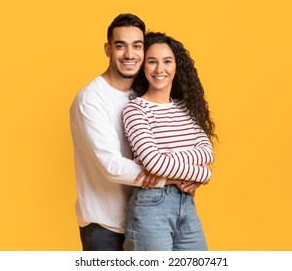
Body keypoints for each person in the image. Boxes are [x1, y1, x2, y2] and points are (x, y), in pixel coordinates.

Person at [69, 14, 195, 251]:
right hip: (105, 227)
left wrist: (191, 176)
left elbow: (172, 145)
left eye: (137, 46)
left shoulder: (141, 94)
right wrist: (174, 179)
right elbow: (112, 166)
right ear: (108, 49)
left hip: (147, 218)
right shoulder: (91, 98)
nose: (129, 54)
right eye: (120, 46)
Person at [122, 32, 216, 251]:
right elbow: (153, 163)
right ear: (143, 67)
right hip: (151, 206)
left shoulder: (184, 108)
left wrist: (169, 164)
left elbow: (207, 152)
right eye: (152, 62)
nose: (159, 69)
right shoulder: (135, 110)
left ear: (176, 66)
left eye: (167, 61)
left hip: (187, 203)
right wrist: (203, 174)